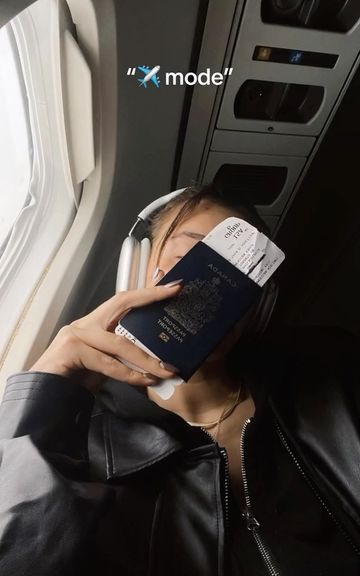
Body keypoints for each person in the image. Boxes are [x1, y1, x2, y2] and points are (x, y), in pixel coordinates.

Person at [0, 184, 359, 576]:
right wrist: (45, 402)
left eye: (242, 274)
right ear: (134, 272)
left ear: (259, 306)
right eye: (192, 257)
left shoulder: (331, 369)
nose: (218, 289)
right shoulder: (85, 443)